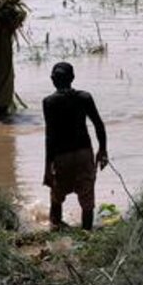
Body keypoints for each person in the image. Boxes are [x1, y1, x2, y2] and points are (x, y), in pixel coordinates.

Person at [42, 62, 108, 231]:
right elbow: (99, 125)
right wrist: (102, 149)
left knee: (56, 198)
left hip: (61, 155)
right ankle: (87, 235)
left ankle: (55, 231)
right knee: (87, 201)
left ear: (52, 80)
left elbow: (50, 137)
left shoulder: (49, 102)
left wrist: (47, 168)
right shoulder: (84, 97)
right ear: (72, 78)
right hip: (84, 153)